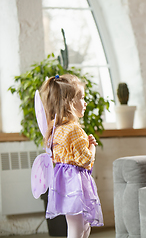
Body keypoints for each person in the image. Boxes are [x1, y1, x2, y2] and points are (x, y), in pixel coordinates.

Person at [40, 74, 103, 238]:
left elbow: (63, 155)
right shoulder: (74, 129)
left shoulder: (56, 129)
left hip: (64, 182)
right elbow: (86, 161)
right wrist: (91, 146)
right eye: (81, 98)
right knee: (78, 227)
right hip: (75, 183)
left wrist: (85, 143)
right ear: (68, 103)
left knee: (80, 225)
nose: (85, 102)